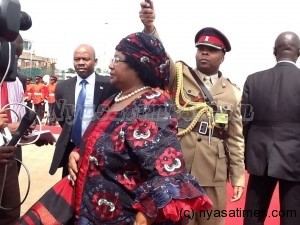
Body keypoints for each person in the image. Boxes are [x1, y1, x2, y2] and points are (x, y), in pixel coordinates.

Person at [67, 32, 212, 225]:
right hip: (93, 212)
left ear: (138, 66)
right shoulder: (114, 100)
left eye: (117, 59)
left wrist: (143, 219)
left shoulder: (151, 105)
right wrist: (78, 153)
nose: (111, 65)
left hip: (123, 217)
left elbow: (166, 173)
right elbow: (101, 141)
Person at [139, 2, 245, 225]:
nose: (204, 52)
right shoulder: (180, 74)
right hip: (179, 166)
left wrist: (237, 176)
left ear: (223, 56)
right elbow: (160, 57)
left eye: (212, 50)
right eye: (200, 48)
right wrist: (150, 27)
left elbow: (235, 139)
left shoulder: (233, 92)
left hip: (213, 172)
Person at [242, 31, 300, 225]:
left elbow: (244, 121)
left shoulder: (253, 80)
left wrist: (247, 155)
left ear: (274, 51)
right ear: (299, 53)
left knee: (252, 216)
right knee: (293, 217)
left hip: (259, 157)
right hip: (296, 158)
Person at [49, 44, 118, 178]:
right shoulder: (62, 87)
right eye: (77, 59)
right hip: (71, 148)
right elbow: (62, 117)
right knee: (68, 190)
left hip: (98, 149)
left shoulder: (110, 85)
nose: (80, 62)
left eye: (85, 59)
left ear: (95, 61)